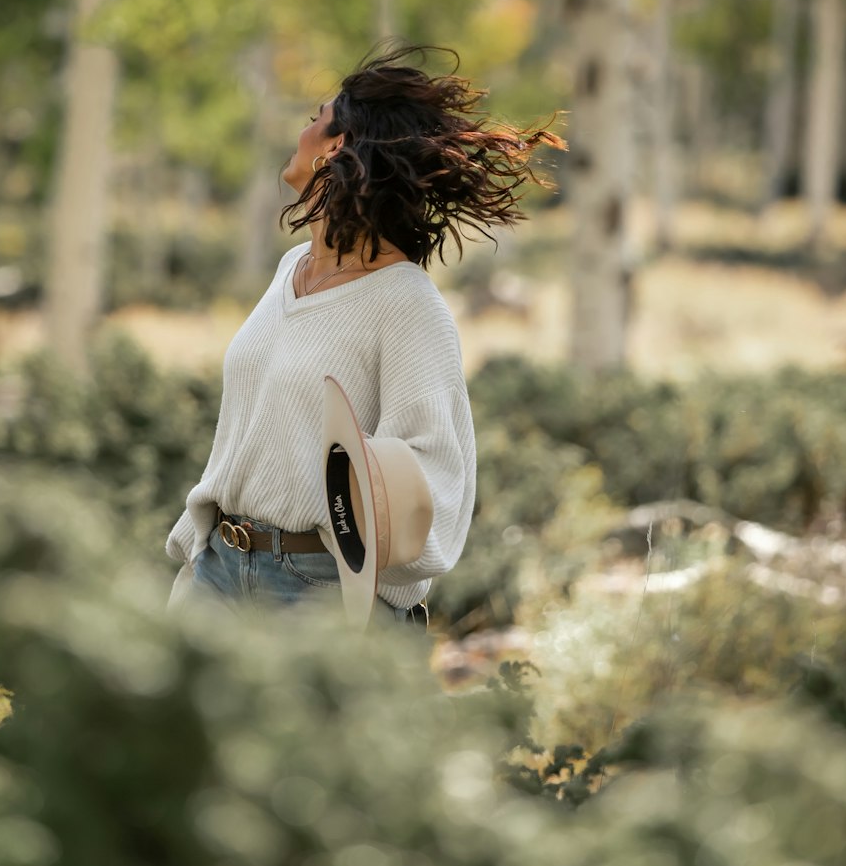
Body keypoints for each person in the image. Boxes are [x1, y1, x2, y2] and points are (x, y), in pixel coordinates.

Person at [165, 45, 563, 625]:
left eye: (313, 120)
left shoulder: (407, 302)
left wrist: (349, 537)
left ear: (337, 147)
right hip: (219, 571)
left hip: (316, 589)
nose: (299, 133)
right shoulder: (290, 269)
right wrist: (199, 553)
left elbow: (434, 475)